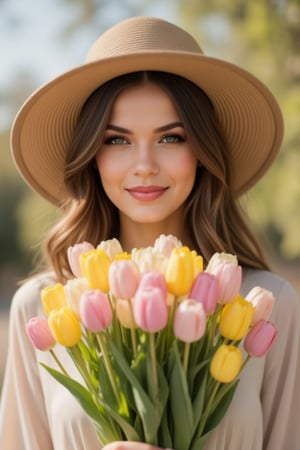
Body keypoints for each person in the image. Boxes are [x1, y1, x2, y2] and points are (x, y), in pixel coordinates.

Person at [0, 15, 299, 450]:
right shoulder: (46, 308)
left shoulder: (263, 306)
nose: (144, 164)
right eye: (117, 140)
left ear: (202, 151)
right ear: (92, 156)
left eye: (172, 138)